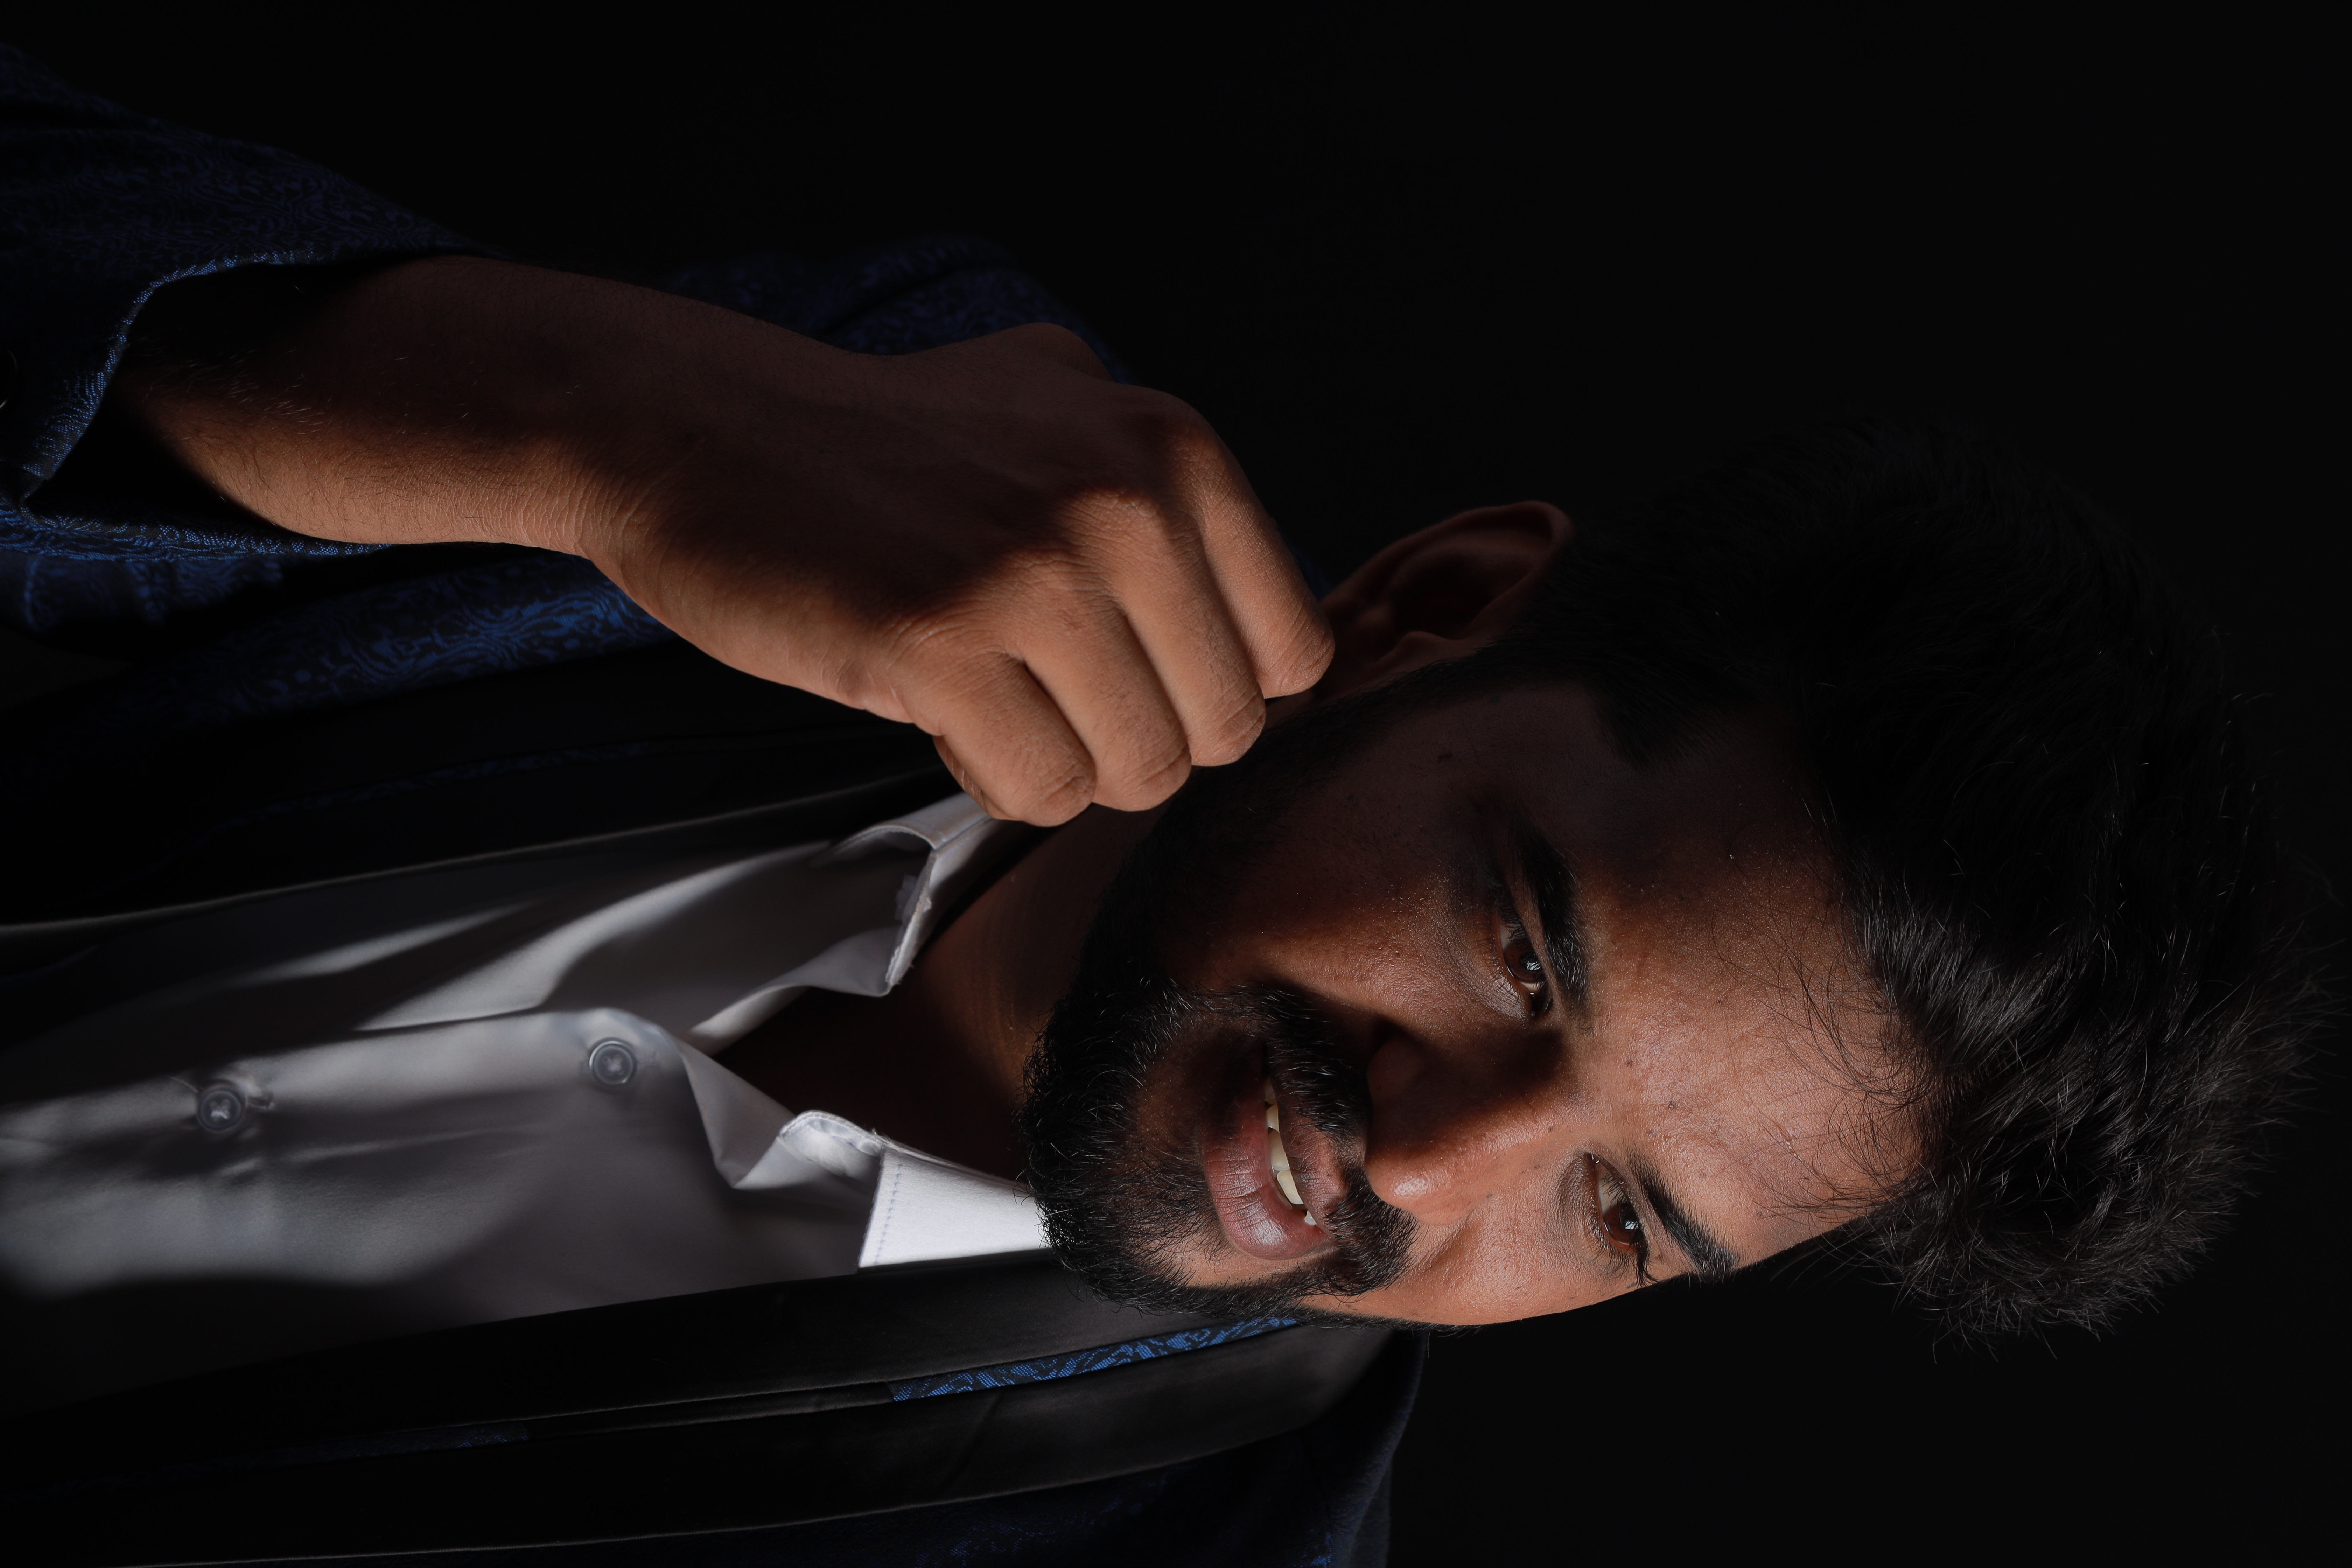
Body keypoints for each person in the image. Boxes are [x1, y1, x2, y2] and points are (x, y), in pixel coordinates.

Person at [0, 42, 2317, 1564]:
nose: (1428, 1166)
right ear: (1426, 610)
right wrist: (597, 419)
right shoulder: (891, 412)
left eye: (1618, 1216)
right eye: (1526, 950)